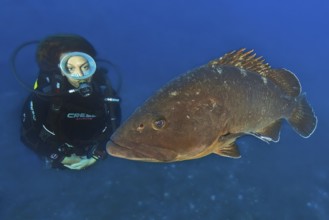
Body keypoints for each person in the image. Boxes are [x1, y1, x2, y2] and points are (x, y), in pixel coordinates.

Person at [20, 34, 121, 170]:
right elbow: (28, 135)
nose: (80, 76)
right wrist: (60, 157)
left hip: (90, 154)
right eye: (70, 68)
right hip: (55, 154)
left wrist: (96, 156)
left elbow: (114, 129)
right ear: (59, 70)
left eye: (85, 67)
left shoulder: (106, 94)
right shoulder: (45, 95)